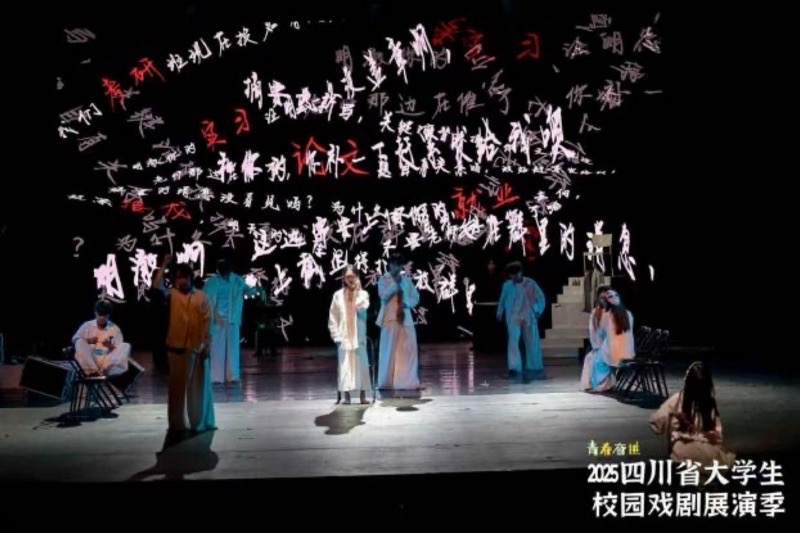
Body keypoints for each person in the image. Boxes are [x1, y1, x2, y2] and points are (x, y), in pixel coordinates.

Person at [153, 256, 215, 434]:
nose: (181, 280)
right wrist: (164, 265)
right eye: (178, 277)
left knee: (198, 388)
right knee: (177, 390)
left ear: (190, 278)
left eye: (184, 277)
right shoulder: (172, 294)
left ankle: (199, 422)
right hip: (176, 347)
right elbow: (156, 287)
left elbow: (207, 322)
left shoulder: (201, 296)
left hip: (197, 348)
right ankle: (177, 424)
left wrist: (206, 345)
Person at [649, 362, 735, 472]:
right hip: (695, 446)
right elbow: (717, 436)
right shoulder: (705, 402)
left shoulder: (680, 399)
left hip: (689, 447)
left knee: (704, 462)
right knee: (713, 463)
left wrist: (673, 419)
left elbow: (656, 423)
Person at [203, 258, 262, 384]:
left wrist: (256, 289)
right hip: (217, 320)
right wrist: (213, 315)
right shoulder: (212, 282)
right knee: (217, 349)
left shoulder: (237, 280)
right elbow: (205, 300)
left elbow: (248, 291)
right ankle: (216, 377)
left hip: (232, 319)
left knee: (233, 349)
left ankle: (232, 376)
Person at [376, 253, 422, 390]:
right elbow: (383, 296)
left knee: (408, 350)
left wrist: (406, 304)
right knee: (388, 351)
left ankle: (407, 382)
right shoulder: (383, 280)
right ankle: (386, 382)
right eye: (394, 264)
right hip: (390, 319)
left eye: (399, 265)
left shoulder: (406, 280)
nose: (397, 267)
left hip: (405, 318)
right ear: (390, 265)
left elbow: (415, 297)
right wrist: (394, 284)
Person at [328, 265, 371, 404]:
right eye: (347, 277)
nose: (350, 279)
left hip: (358, 335)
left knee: (361, 364)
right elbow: (333, 316)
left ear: (357, 277)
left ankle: (363, 396)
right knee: (345, 365)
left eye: (352, 276)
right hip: (344, 335)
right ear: (344, 278)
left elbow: (362, 307)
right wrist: (336, 335)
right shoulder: (337, 295)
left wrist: (357, 291)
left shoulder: (363, 294)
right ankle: (346, 396)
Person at [496, 261, 546, 380]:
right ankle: (514, 367)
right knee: (513, 341)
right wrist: (500, 311)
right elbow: (502, 299)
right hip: (514, 315)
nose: (513, 277)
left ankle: (534, 366)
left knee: (531, 341)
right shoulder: (507, 285)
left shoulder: (530, 283)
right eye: (511, 275)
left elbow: (540, 297)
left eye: (515, 274)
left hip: (528, 315)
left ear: (520, 272)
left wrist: (538, 310)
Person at [580, 288, 634, 392]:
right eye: (602, 298)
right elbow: (597, 333)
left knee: (595, 359)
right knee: (592, 357)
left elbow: (604, 334)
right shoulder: (626, 313)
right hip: (623, 350)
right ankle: (599, 383)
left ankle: (602, 385)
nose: (605, 300)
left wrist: (600, 347)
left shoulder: (610, 315)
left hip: (615, 350)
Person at [71, 299, 130, 376]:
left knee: (126, 346)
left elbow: (118, 351)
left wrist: (110, 346)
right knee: (79, 342)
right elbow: (74, 340)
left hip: (106, 361)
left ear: (109, 315)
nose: (102, 317)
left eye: (104, 315)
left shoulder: (115, 329)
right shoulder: (87, 325)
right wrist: (88, 341)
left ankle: (106, 371)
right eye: (100, 314)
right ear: (95, 313)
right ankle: (93, 371)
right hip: (89, 360)